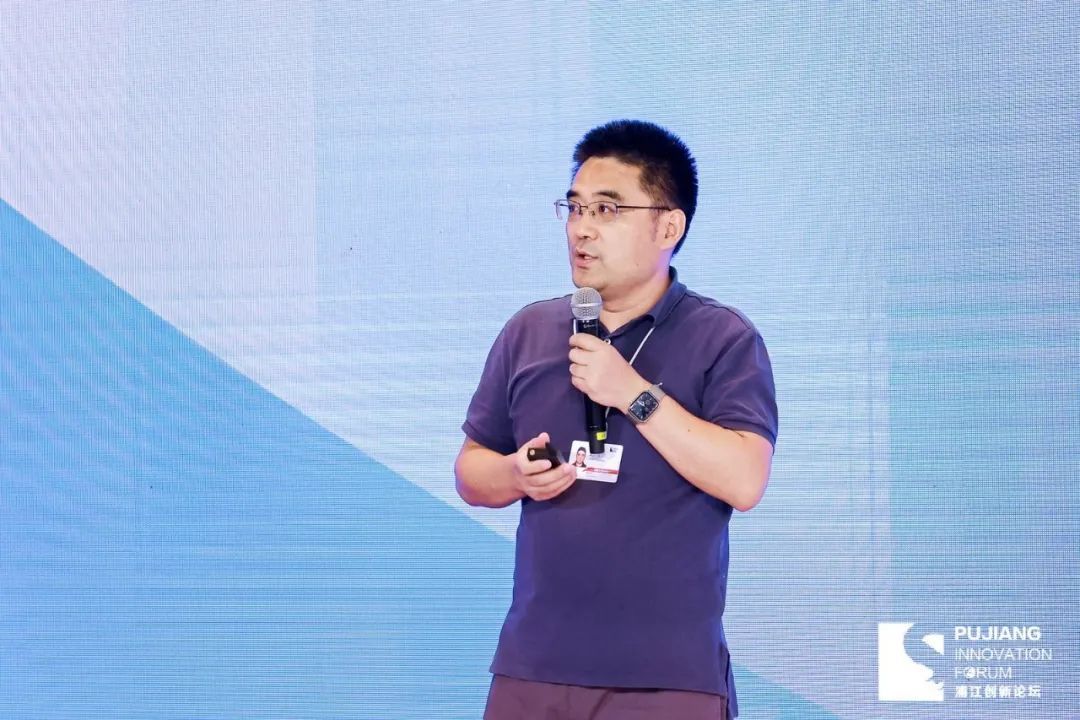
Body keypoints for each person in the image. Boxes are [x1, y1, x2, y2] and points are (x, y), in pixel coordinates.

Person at [455, 119, 777, 720]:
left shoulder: (723, 338)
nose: (582, 229)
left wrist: (633, 393)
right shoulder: (529, 331)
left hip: (668, 677)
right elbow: (471, 472)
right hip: (533, 668)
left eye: (607, 210)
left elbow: (744, 479)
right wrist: (514, 475)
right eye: (575, 208)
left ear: (668, 227)